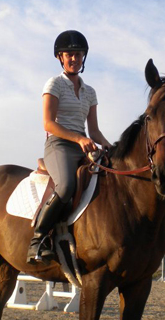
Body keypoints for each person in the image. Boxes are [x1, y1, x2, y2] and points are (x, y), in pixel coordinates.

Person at [27, 30, 112, 265]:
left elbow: (93, 131)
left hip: (83, 145)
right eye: (69, 54)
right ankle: (38, 239)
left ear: (83, 57)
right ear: (60, 58)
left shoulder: (90, 92)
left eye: (78, 54)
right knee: (66, 186)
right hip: (59, 145)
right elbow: (48, 123)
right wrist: (78, 139)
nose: (74, 59)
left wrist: (110, 147)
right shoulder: (54, 84)